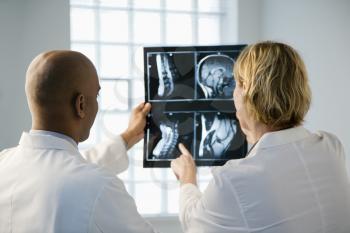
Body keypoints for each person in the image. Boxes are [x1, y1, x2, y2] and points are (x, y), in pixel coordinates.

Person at [171, 41, 350, 233]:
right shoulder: (331, 147)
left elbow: (194, 225)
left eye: (236, 84)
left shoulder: (233, 179)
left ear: (246, 88)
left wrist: (187, 177)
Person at [0, 51, 158, 233]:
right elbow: (79, 179)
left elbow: (62, 172)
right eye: (97, 96)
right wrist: (189, 189)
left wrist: (129, 136)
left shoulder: (3, 163)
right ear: (81, 105)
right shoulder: (101, 187)